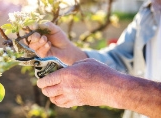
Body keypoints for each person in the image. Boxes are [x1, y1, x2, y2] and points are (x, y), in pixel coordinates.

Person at [25, 0, 161, 118]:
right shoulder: (150, 10)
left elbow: (115, 84)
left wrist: (114, 89)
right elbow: (120, 59)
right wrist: (69, 52)